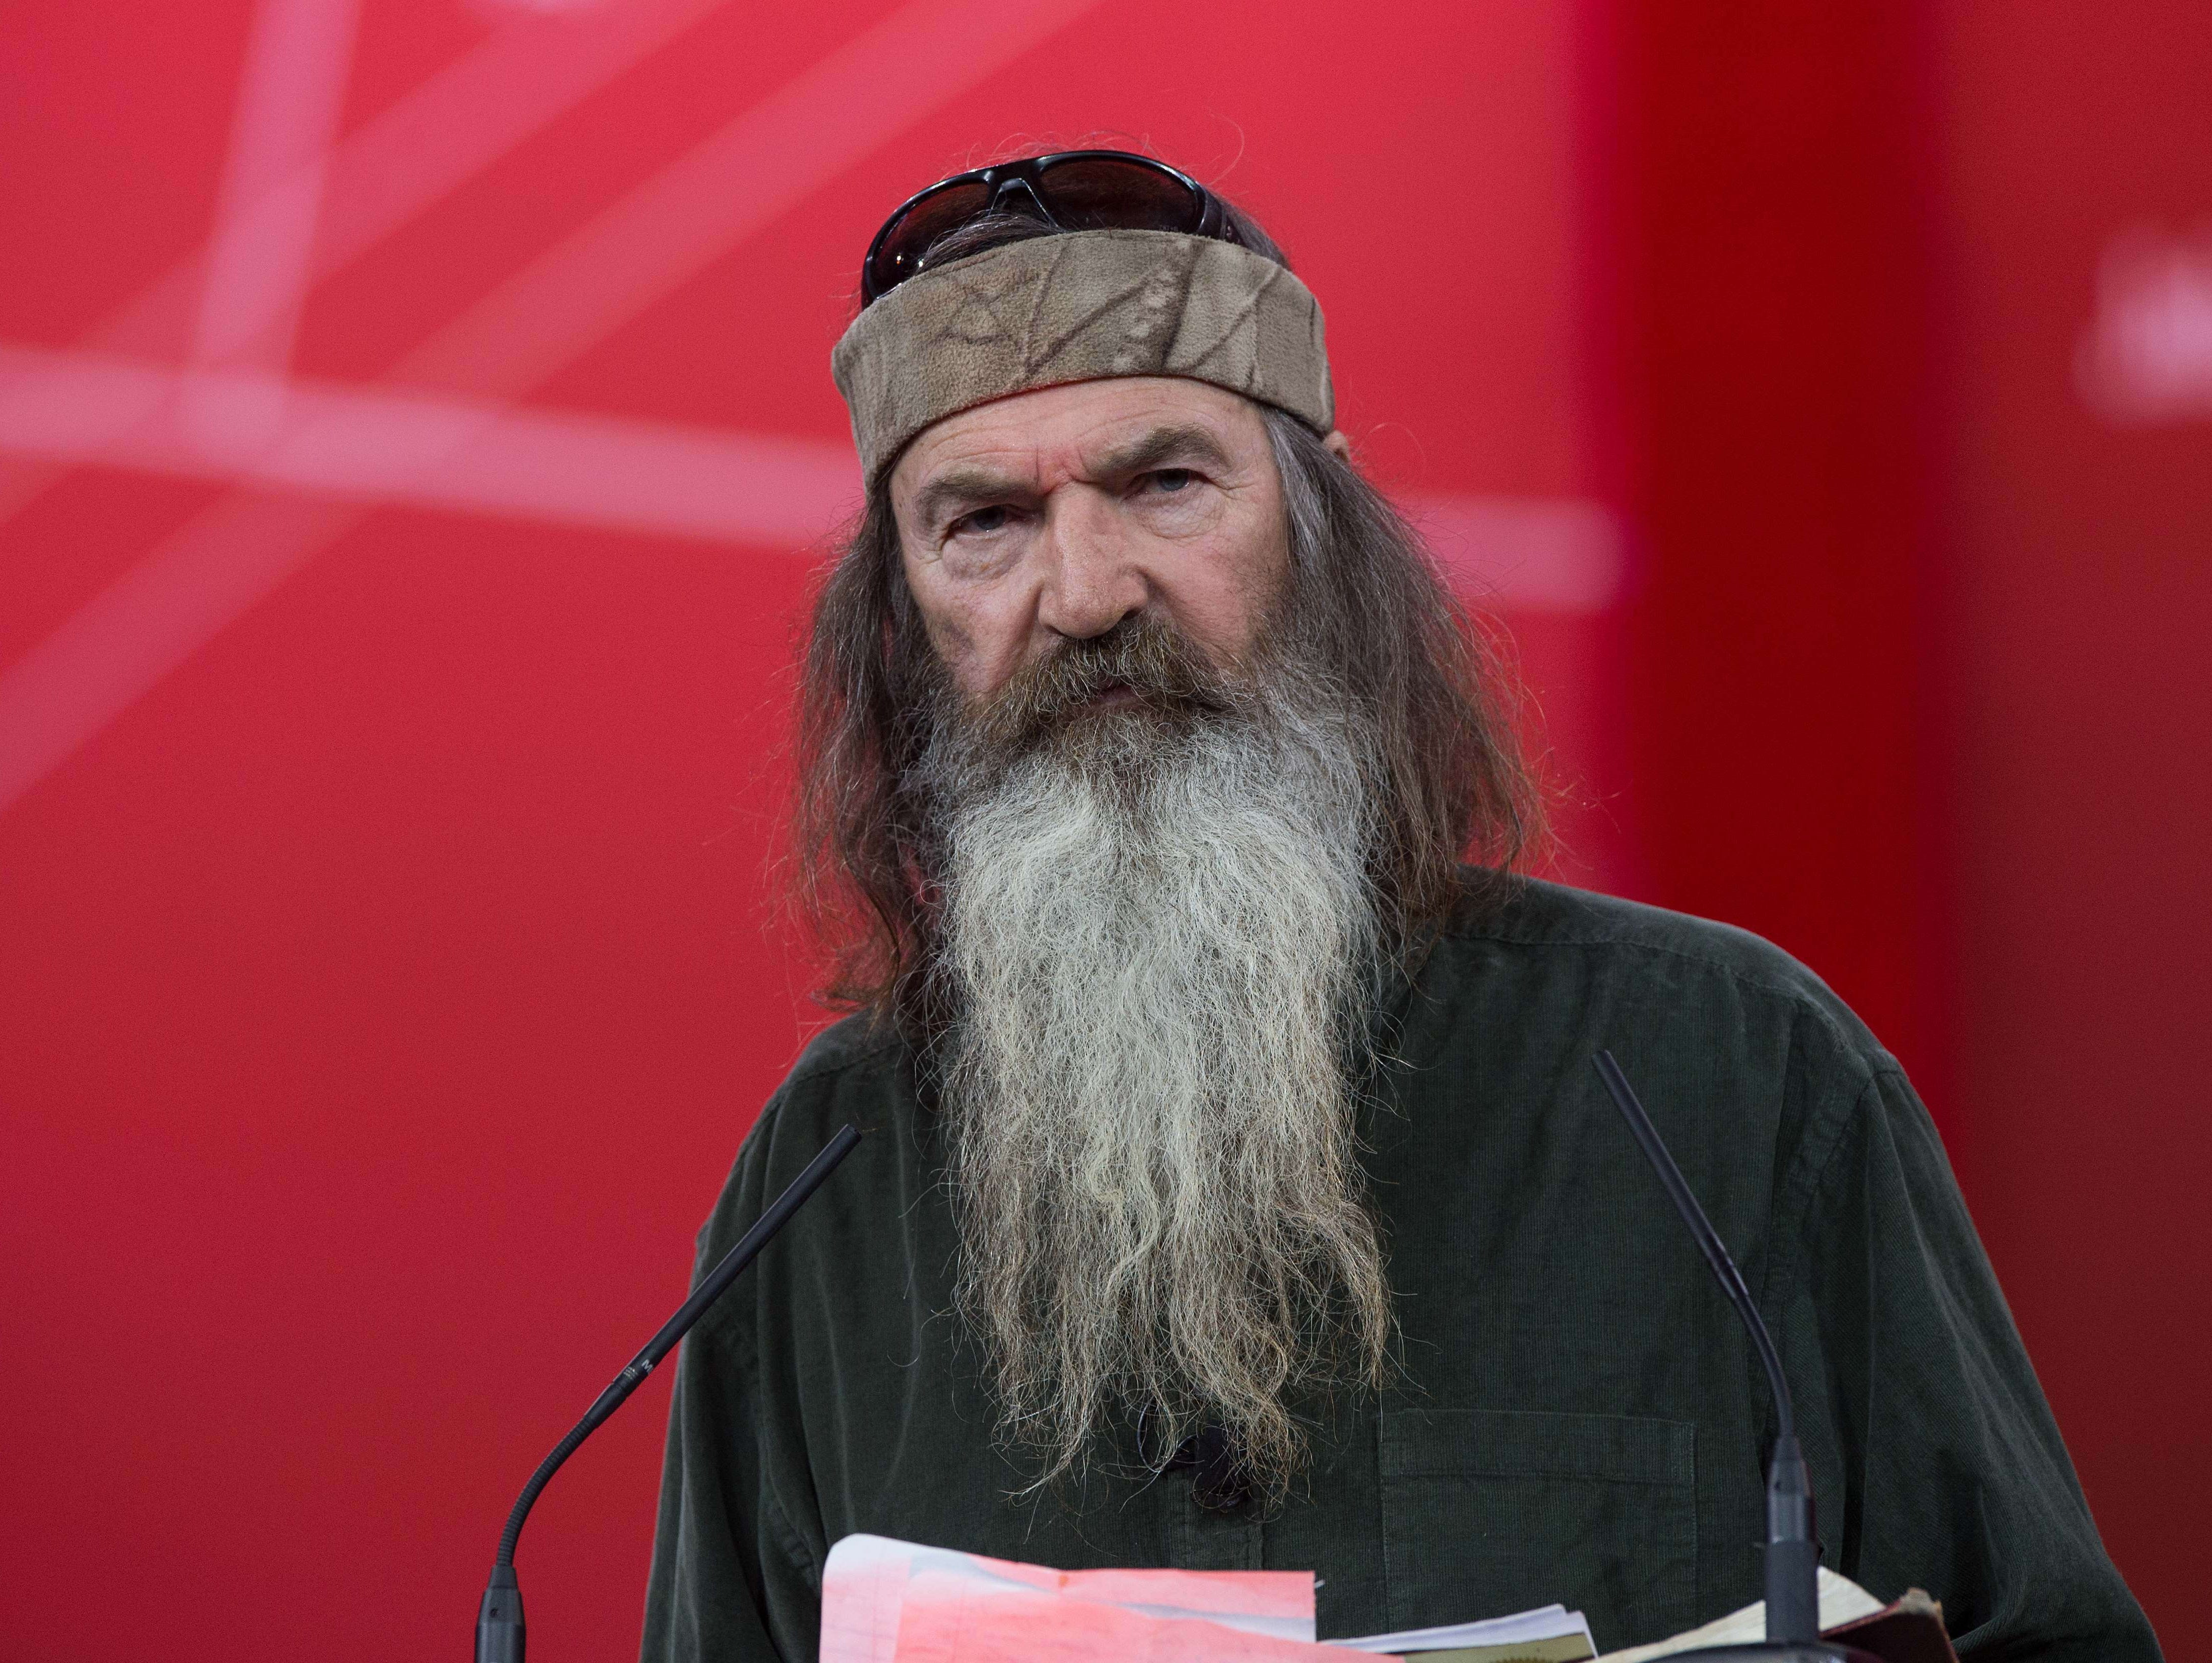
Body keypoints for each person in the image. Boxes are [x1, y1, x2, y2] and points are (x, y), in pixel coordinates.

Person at [640, 151, 2159, 1661]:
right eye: (983, 523)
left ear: (1324, 536)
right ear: (902, 628)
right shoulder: (820, 1185)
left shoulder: (1726, 1077)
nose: (1086, 592)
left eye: (1164, 484)